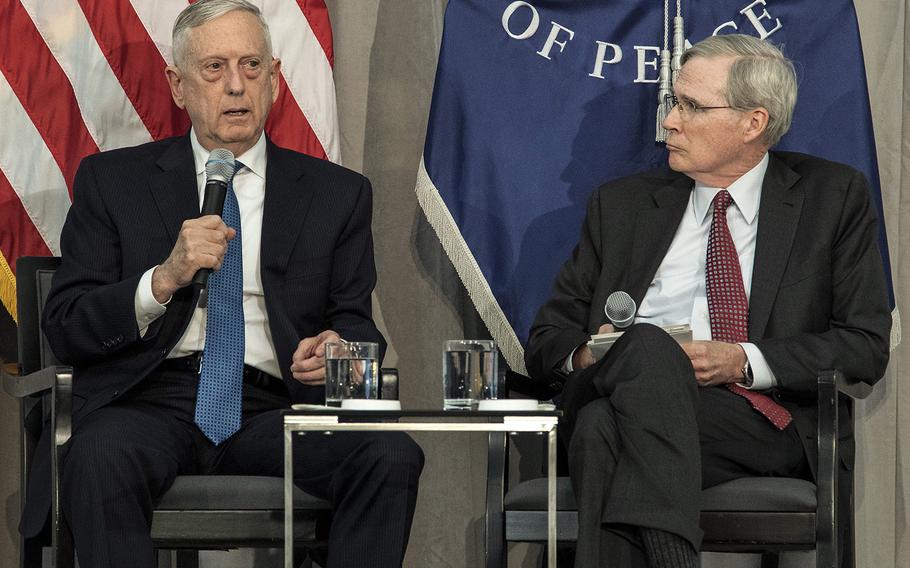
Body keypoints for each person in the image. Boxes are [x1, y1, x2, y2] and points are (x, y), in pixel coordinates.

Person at [19, 1, 424, 567]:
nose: (236, 85)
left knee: (389, 452)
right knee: (99, 454)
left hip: (273, 407)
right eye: (214, 68)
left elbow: (355, 319)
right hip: (146, 401)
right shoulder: (115, 182)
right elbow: (67, 322)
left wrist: (341, 350)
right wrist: (162, 280)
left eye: (252, 66)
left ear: (276, 80)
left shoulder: (337, 194)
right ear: (178, 85)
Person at [525, 34, 890, 568]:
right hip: (617, 387)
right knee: (645, 349)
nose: (669, 122)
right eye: (673, 103)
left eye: (690, 106)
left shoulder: (831, 198)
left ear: (753, 123)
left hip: (758, 420)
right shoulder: (622, 206)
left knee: (604, 430)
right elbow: (546, 343)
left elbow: (863, 346)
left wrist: (741, 360)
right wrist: (593, 354)